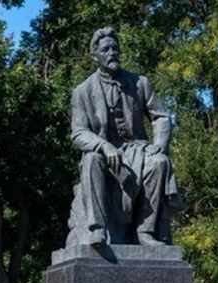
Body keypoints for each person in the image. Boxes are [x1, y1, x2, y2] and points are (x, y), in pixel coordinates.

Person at [67, 26, 181, 248]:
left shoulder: (140, 83)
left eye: (115, 48)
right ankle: (98, 230)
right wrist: (103, 146)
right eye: (106, 49)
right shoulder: (82, 91)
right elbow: (79, 132)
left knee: (159, 162)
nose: (112, 53)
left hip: (136, 149)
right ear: (95, 55)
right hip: (104, 152)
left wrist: (159, 144)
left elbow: (161, 116)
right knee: (91, 160)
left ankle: (145, 231)